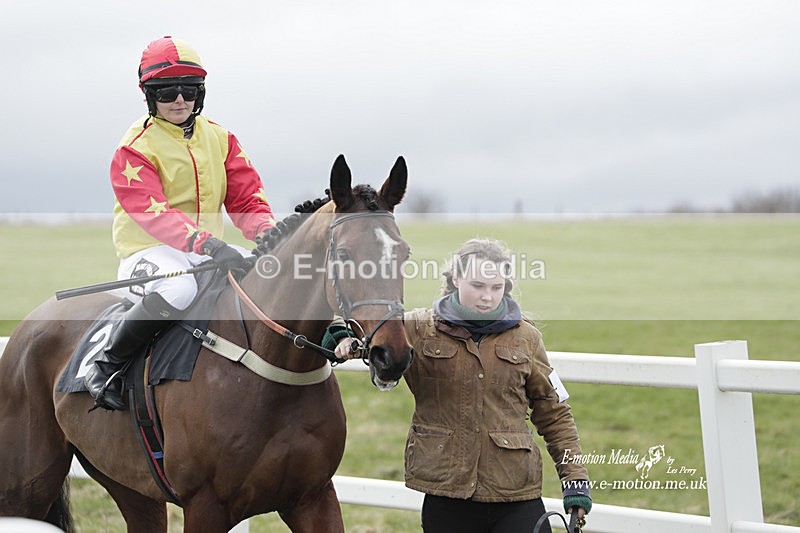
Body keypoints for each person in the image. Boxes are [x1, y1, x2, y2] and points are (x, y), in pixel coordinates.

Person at [324, 238, 591, 532]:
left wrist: (574, 479)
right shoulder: (417, 329)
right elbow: (369, 333)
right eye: (477, 285)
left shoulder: (526, 338)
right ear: (455, 278)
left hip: (516, 494)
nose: (487, 297)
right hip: (446, 496)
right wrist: (340, 337)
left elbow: (554, 414)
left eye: (496, 287)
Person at [84, 36, 276, 411]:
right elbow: (152, 213)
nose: (179, 100)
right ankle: (105, 363)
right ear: (149, 95)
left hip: (204, 252)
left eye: (189, 90)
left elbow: (246, 199)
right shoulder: (134, 148)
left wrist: (267, 232)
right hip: (150, 254)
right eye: (167, 90)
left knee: (269, 274)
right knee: (180, 292)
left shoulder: (221, 139)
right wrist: (205, 243)